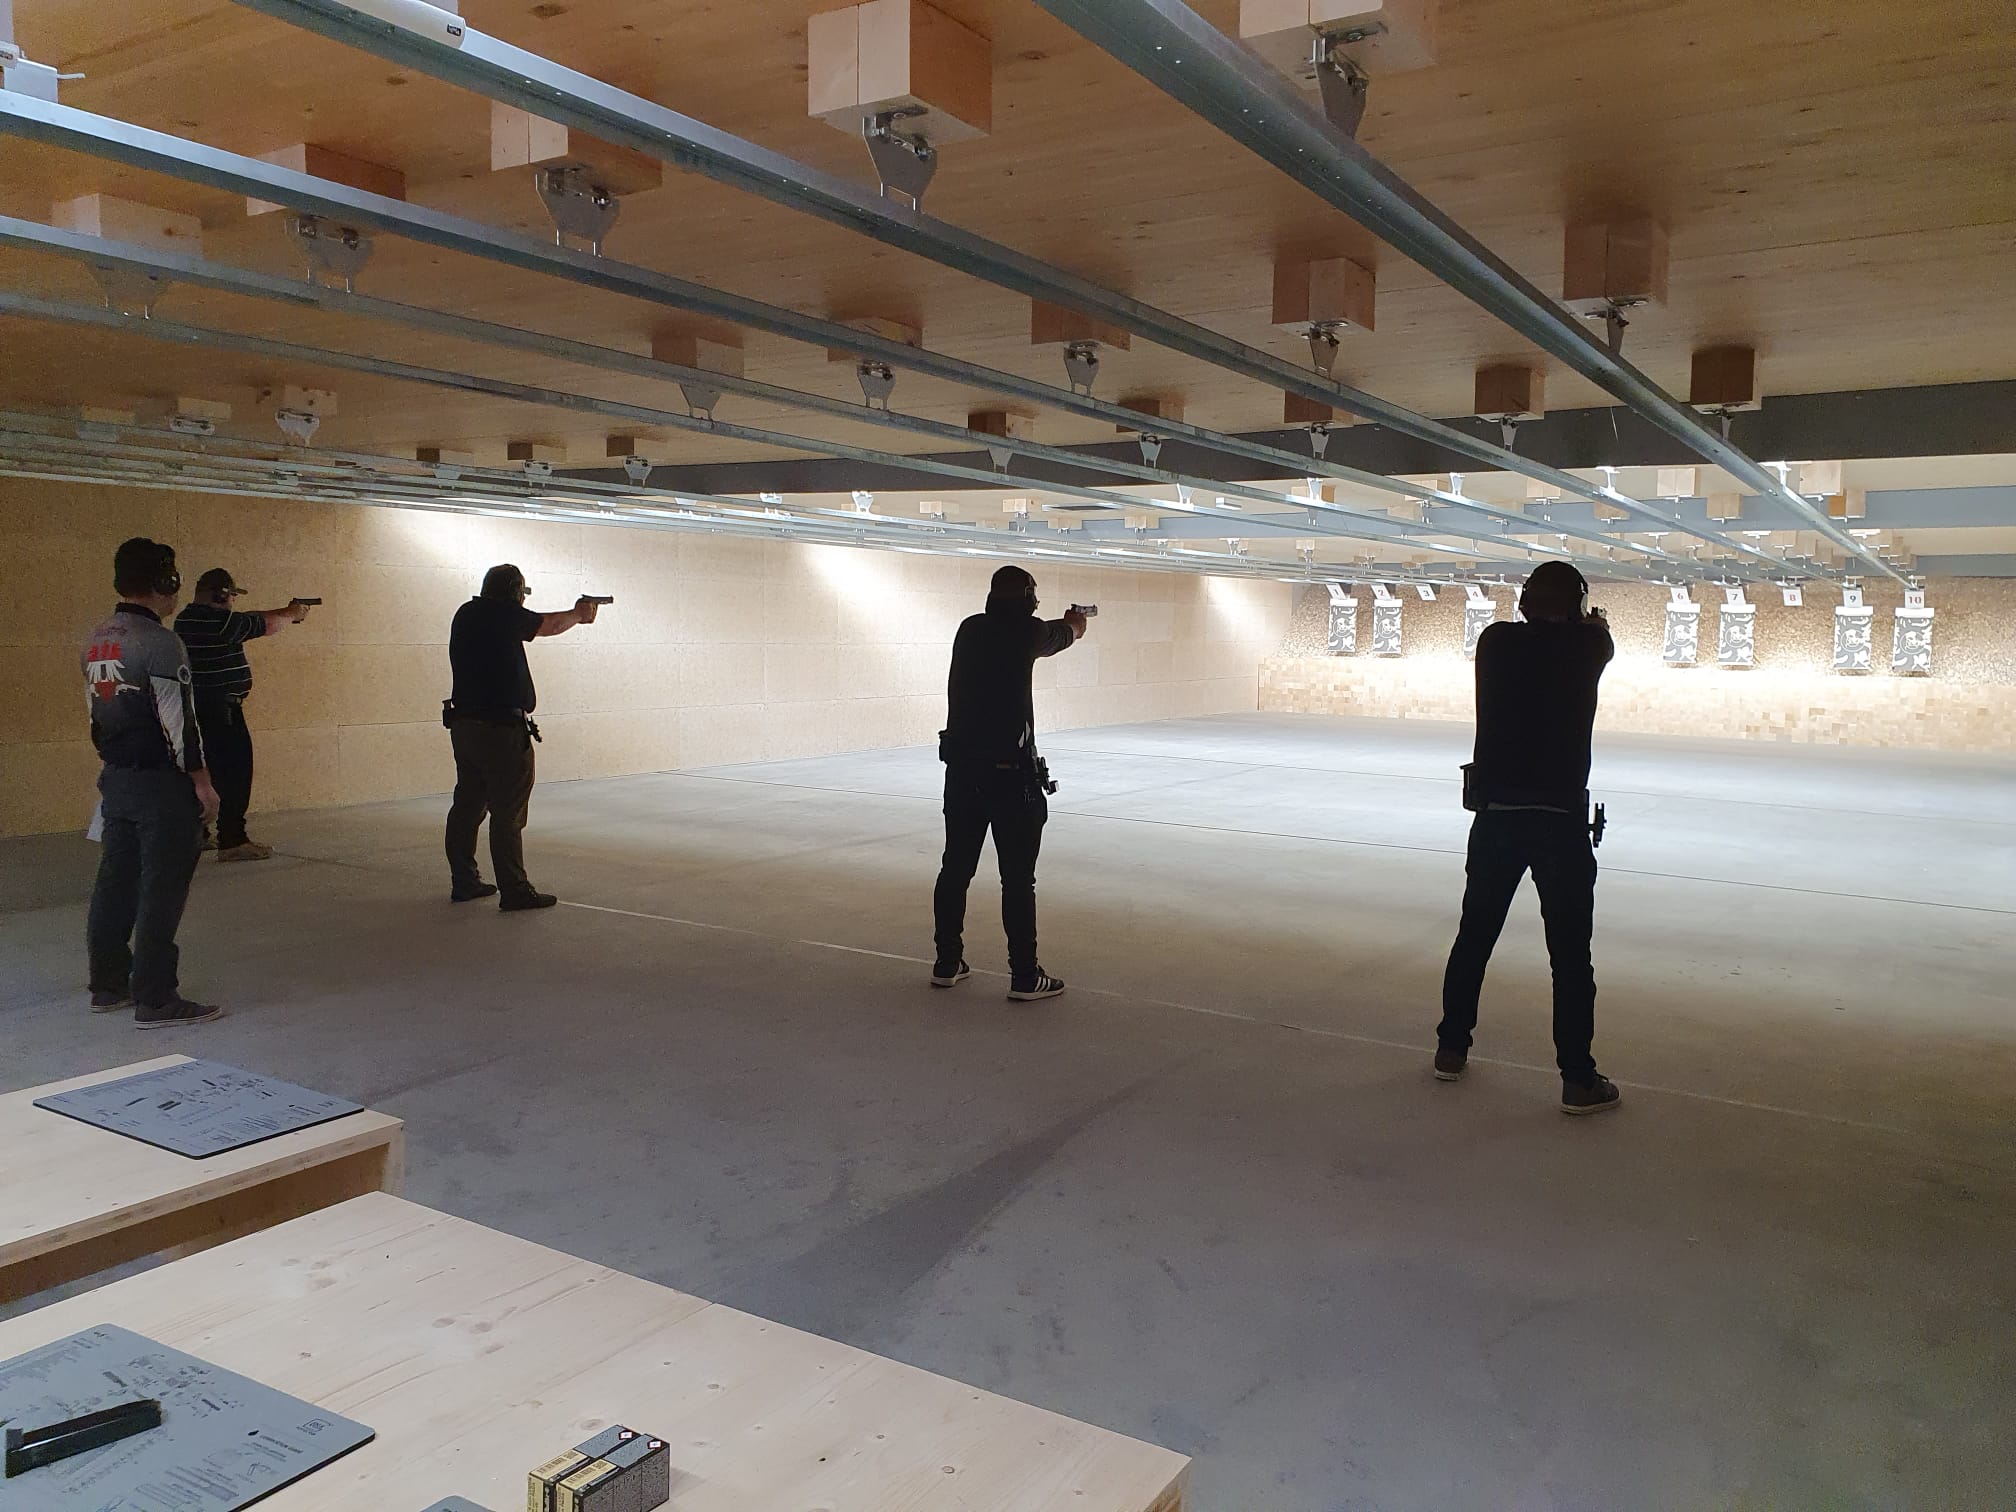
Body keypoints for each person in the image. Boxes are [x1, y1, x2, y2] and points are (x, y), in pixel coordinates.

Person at [1435, 559, 1621, 1114]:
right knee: (1570, 958)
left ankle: (1450, 1049)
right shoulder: (1589, 647)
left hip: (1496, 816)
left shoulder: (1494, 643)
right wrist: (1588, 621)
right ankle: (1577, 1079)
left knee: (1474, 938)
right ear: (1575, 607)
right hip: (1559, 822)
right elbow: (1598, 640)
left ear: (1524, 602)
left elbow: (1539, 638)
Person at [82, 537, 224, 1027]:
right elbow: (179, 724)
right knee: (162, 890)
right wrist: (202, 784)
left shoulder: (98, 639)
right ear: (166, 581)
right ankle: (156, 997)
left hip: (116, 779)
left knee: (115, 884)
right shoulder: (161, 643)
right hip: (161, 786)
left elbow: (95, 717)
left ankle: (108, 985)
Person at [930, 566, 1088, 1000]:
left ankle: (947, 962)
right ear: (1028, 599)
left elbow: (1022, 632)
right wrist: (1076, 623)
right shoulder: (1028, 632)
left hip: (963, 774)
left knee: (955, 869)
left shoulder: (969, 629)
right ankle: (1024, 975)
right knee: (1018, 880)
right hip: (1010, 779)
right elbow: (1063, 634)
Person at [444, 564, 601, 911]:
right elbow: (548, 625)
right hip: (501, 730)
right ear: (514, 591)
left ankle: (464, 880)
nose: (523, 599)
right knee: (508, 813)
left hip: (466, 726)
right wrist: (579, 614)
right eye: (523, 592)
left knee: (467, 805)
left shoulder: (467, 613)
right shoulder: (502, 615)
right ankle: (514, 889)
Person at [173, 568, 313, 862]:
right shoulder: (218, 623)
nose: (232, 602)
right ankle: (232, 839)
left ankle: (195, 834)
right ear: (220, 595)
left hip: (202, 709)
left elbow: (251, 618)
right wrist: (291, 614)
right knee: (234, 775)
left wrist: (287, 611)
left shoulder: (188, 618)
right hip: (220, 710)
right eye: (231, 596)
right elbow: (262, 624)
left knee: (207, 773)